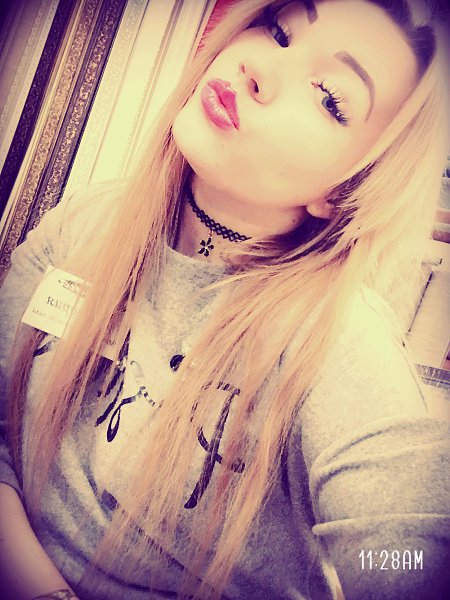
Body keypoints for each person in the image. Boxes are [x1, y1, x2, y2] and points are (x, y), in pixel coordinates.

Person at [0, 0, 449, 598]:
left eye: (330, 98)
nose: (258, 68)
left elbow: (412, 562)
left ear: (344, 192)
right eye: (279, 33)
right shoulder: (86, 222)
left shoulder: (337, 340)